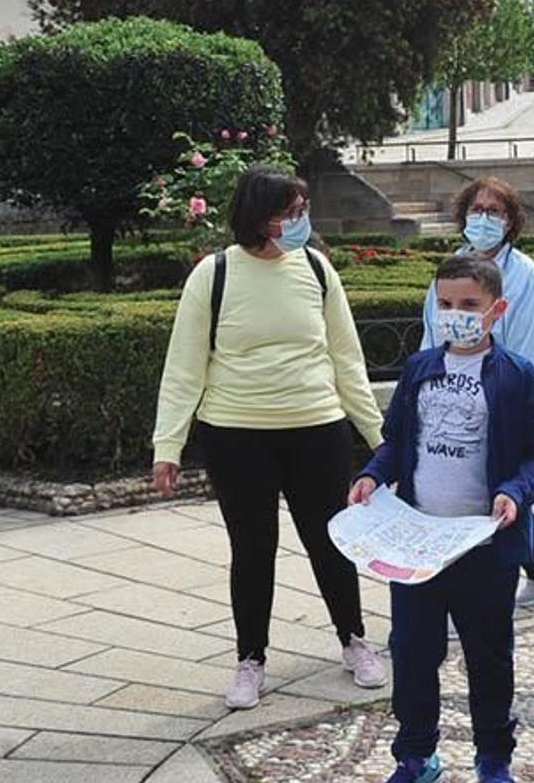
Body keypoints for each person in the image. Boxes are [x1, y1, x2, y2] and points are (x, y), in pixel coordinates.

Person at [152, 167, 389, 711]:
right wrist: (169, 445)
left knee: (330, 542)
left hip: (317, 428)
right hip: (236, 435)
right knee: (252, 549)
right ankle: (250, 660)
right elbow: (184, 368)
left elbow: (347, 360)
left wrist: (380, 439)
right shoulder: (213, 275)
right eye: (291, 212)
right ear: (259, 217)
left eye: (304, 210)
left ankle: (354, 640)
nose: (302, 221)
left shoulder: (317, 269)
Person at [352, 256, 534, 783]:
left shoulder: (517, 376)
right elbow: (397, 440)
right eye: (445, 304)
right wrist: (373, 474)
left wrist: (515, 491)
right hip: (418, 546)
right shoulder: (420, 368)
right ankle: (415, 759)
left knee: (489, 657)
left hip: (484, 549)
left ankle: (493, 758)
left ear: (497, 309)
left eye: (469, 305)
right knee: (412, 653)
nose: (455, 314)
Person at [419, 178, 534, 608]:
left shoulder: (524, 278)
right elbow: (431, 332)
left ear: (510, 221)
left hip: (498, 403)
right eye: (477, 209)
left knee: (485, 495)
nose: (483, 218)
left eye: (494, 211)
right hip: (448, 398)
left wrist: (520, 413)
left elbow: (532, 354)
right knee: (480, 492)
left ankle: (468, 598)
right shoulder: (452, 268)